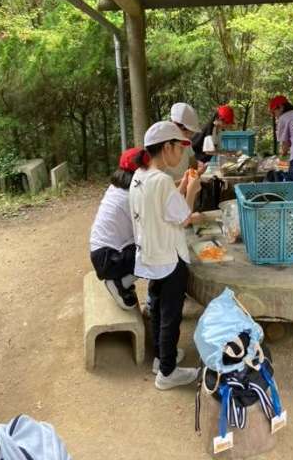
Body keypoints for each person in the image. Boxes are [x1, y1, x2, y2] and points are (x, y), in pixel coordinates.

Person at [129, 121, 202, 390]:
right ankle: (167, 373)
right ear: (167, 147)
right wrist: (192, 191)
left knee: (158, 309)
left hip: (151, 255)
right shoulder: (161, 180)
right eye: (179, 148)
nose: (181, 154)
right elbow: (183, 218)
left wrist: (182, 187)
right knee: (171, 315)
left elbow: (164, 209)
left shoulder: (140, 175)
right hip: (170, 258)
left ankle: (162, 358)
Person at [89, 147, 148, 310]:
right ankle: (120, 282)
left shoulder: (119, 188)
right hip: (109, 259)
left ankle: (122, 280)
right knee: (158, 251)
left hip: (103, 253)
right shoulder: (133, 196)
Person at [166, 102, 202, 181]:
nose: (189, 136)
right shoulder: (162, 144)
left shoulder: (186, 142)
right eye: (187, 132)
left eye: (192, 133)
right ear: (174, 124)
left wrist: (198, 167)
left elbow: (193, 163)